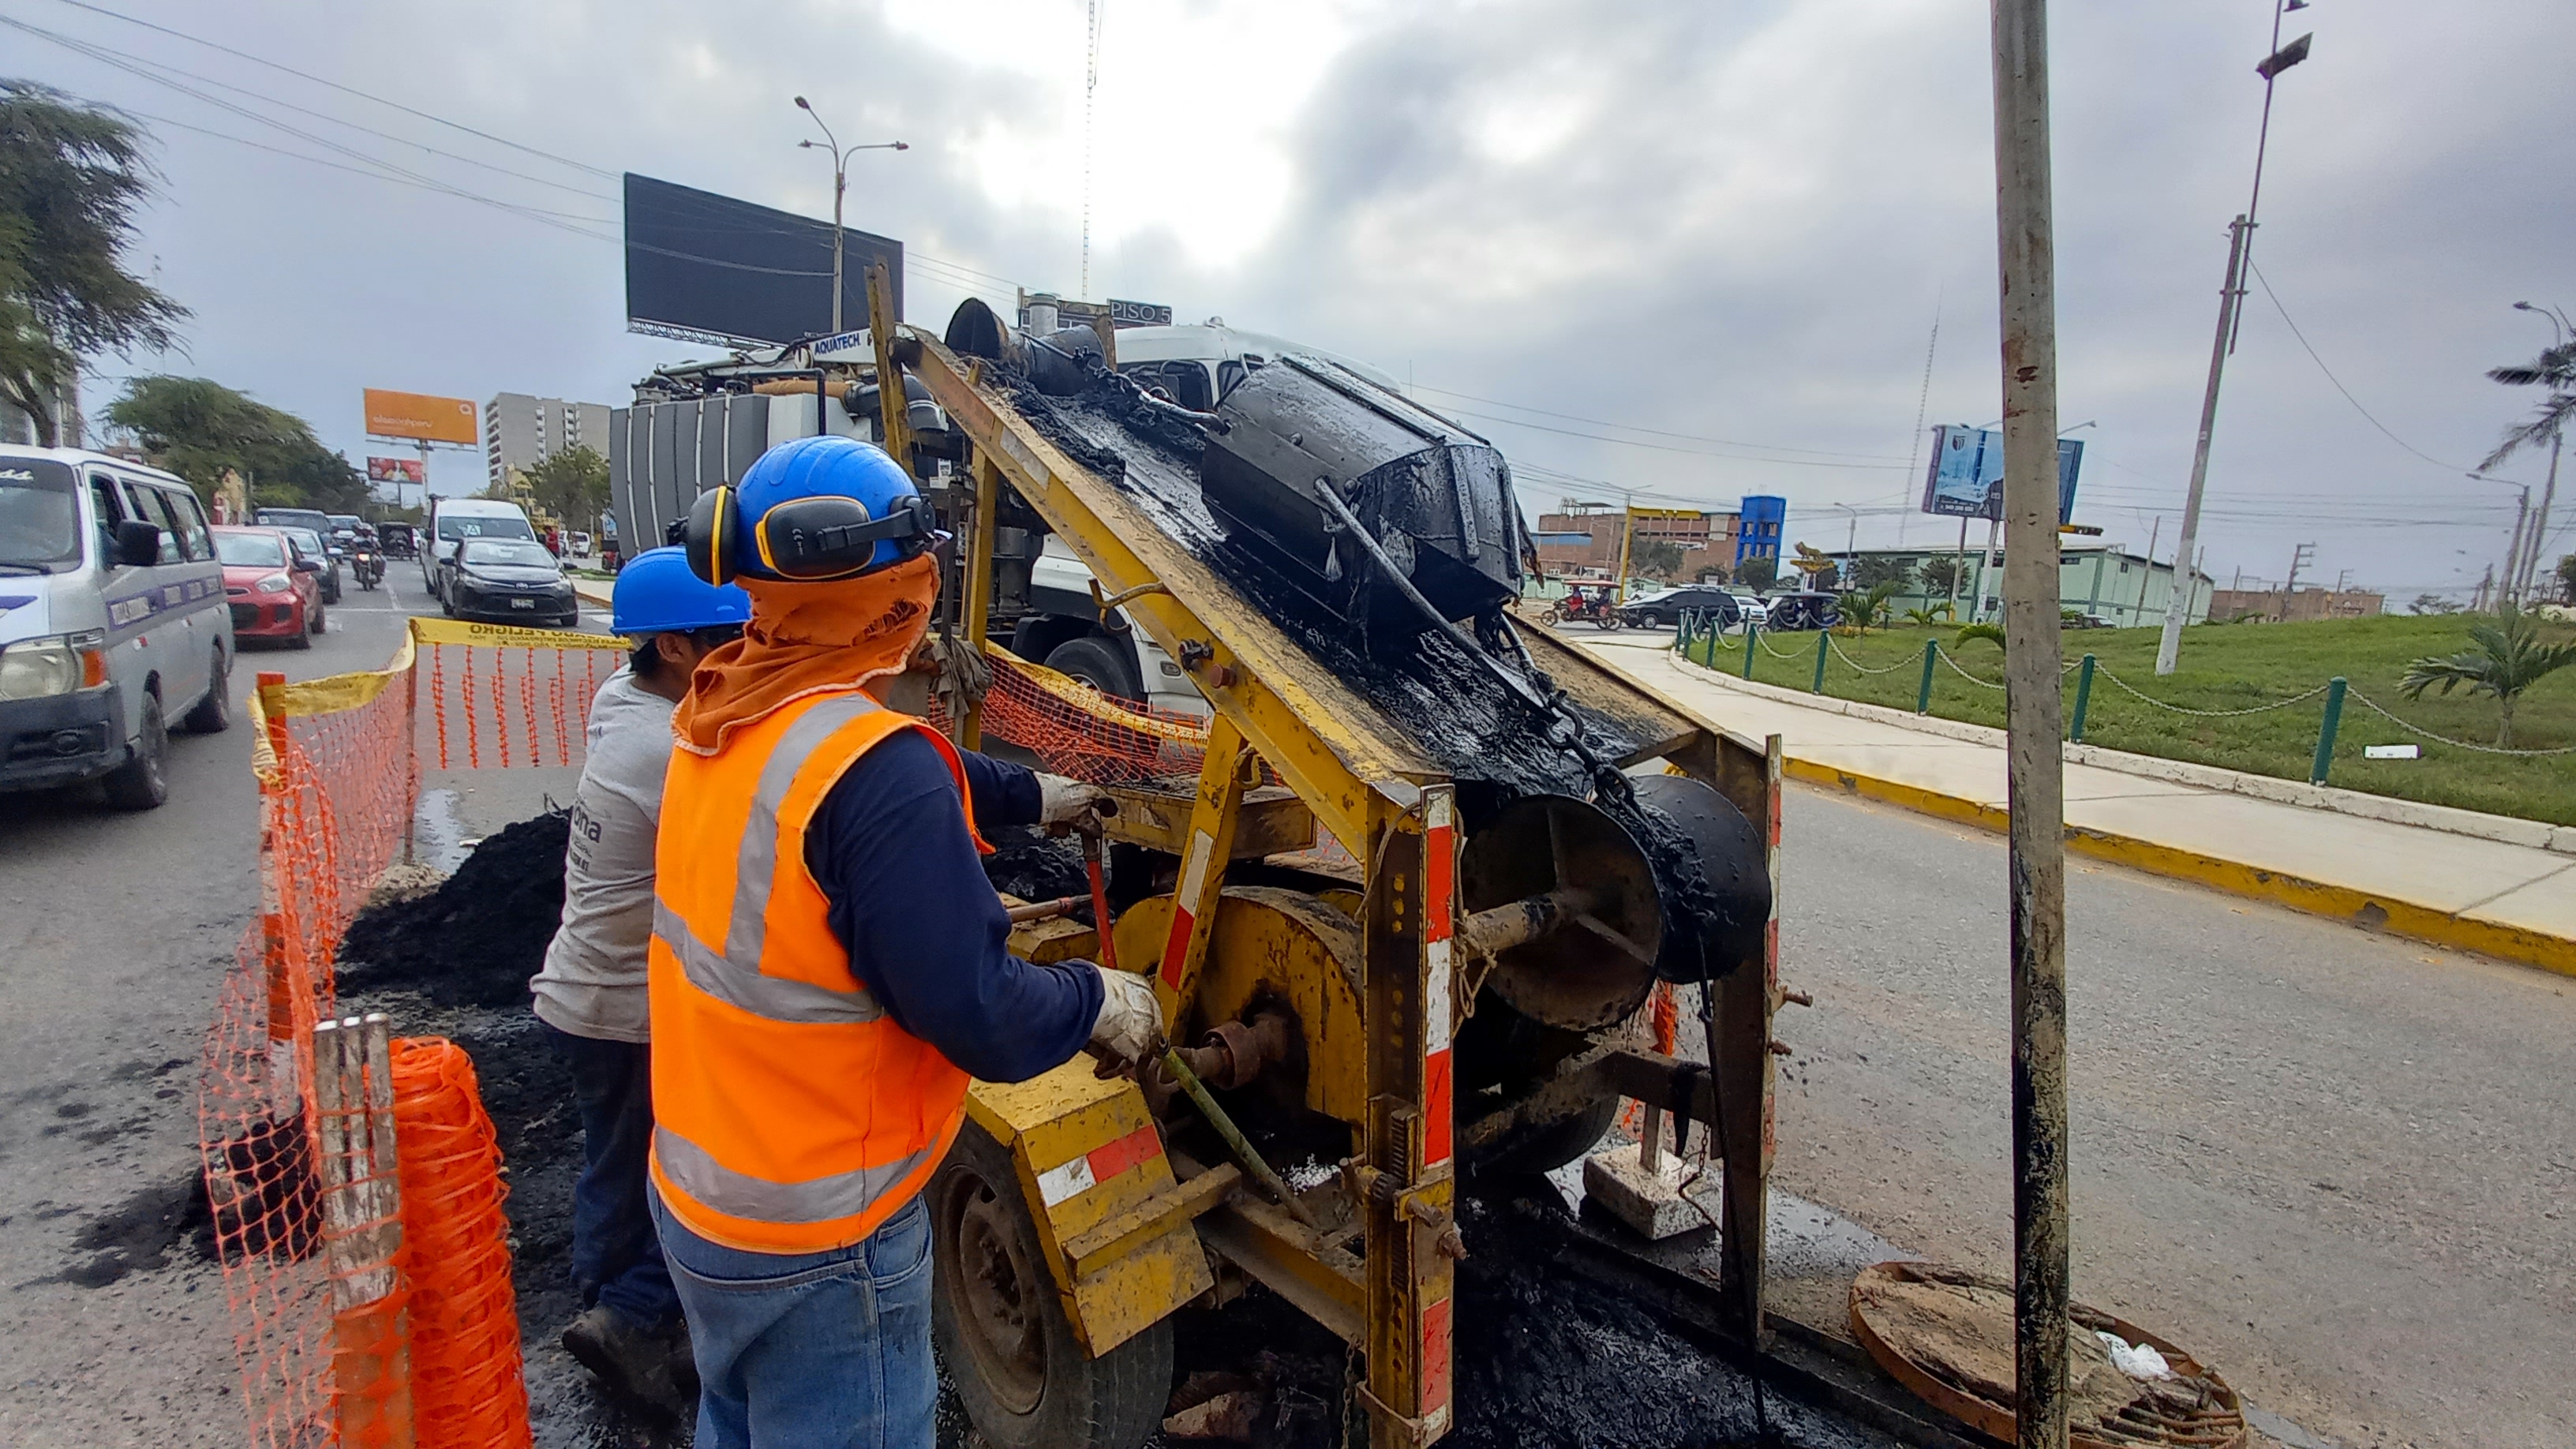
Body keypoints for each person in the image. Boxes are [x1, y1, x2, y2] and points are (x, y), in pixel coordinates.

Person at [650, 434, 1162, 1448]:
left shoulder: (726, 712)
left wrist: (1028, 793)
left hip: (706, 1199)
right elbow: (977, 1011)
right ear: (904, 587)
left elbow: (882, 776)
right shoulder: (870, 770)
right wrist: (1097, 1000)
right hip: (827, 1236)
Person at [530, 546, 751, 1415]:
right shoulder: (667, 752)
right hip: (625, 1005)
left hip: (586, 993)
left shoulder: (620, 701)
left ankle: (602, 1302)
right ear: (671, 648)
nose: (742, 653)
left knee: (617, 1162)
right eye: (725, 640)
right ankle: (629, 1316)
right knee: (702, 1171)